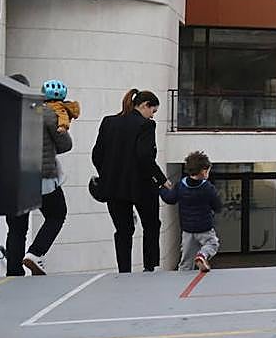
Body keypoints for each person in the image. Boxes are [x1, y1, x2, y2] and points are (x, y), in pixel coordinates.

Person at [92, 88, 168, 273]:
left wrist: (108, 174)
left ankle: (124, 271)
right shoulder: (146, 125)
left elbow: (97, 155)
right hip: (141, 186)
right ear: (144, 106)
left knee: (123, 231)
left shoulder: (108, 122)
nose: (152, 116)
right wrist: (162, 179)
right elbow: (145, 157)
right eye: (153, 111)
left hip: (113, 187)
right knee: (151, 225)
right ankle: (149, 267)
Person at [4, 74, 71, 276]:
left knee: (16, 228)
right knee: (57, 215)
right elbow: (65, 144)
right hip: (42, 176)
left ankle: (14, 271)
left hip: (12, 178)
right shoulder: (43, 111)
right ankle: (35, 253)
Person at [160, 150, 223, 272]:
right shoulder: (207, 188)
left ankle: (182, 284)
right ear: (204, 171)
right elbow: (218, 206)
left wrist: (161, 189)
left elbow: (170, 199)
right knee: (212, 244)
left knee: (186, 261)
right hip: (204, 228)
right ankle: (202, 255)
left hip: (187, 230)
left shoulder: (181, 185)